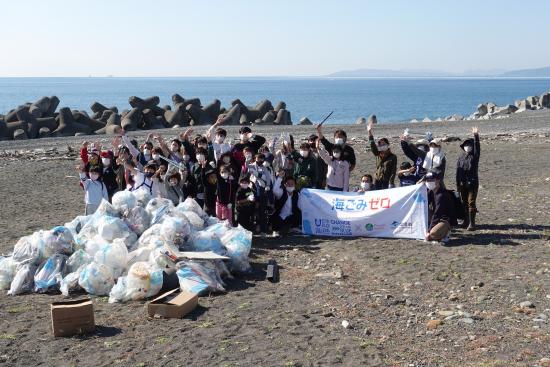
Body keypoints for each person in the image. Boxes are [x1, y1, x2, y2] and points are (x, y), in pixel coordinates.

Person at [456, 126, 481, 231]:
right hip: (462, 184)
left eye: (469, 145)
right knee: (464, 202)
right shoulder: (461, 157)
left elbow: (477, 146)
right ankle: (466, 221)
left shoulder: (475, 156)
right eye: (466, 145)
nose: (467, 146)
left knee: (471, 202)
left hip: (472, 183)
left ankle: (472, 224)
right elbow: (457, 171)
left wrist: (476, 136)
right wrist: (457, 184)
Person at [425, 172, 454, 244]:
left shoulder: (441, 195)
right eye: (427, 180)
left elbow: (437, 213)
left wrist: (429, 231)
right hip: (437, 218)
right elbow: (425, 202)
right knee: (426, 209)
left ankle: (446, 232)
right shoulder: (431, 191)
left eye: (432, 180)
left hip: (445, 220)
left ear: (438, 180)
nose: (429, 182)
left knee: (432, 234)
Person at [367, 122, 397, 189]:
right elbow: (372, 145)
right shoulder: (378, 154)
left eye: (384, 144)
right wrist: (369, 132)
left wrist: (391, 183)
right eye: (381, 145)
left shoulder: (393, 157)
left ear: (388, 145)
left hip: (386, 181)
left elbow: (393, 171)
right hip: (377, 180)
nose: (382, 146)